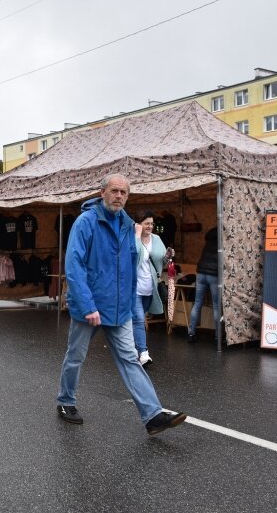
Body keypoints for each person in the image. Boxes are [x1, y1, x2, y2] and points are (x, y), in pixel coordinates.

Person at [56, 174, 186, 436]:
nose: (118, 196)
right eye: (114, 191)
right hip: (90, 307)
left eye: (123, 193)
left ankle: (153, 415)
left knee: (130, 358)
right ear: (102, 192)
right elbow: (74, 266)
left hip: (119, 307)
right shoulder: (85, 222)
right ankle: (65, 401)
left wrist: (130, 301)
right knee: (76, 356)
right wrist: (87, 304)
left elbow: (129, 266)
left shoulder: (128, 224)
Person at [132, 211, 173, 366]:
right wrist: (136, 235)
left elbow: (161, 261)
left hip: (151, 288)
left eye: (151, 223)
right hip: (134, 287)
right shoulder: (132, 238)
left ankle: (132, 348)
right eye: (146, 223)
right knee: (138, 319)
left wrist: (168, 256)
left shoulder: (156, 239)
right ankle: (143, 352)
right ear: (138, 224)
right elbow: (133, 255)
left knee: (137, 318)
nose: (150, 226)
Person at [188, 227, 220, 343]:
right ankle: (218, 336)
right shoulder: (223, 241)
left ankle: (191, 333)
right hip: (214, 275)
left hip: (201, 273)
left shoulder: (208, 241)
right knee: (216, 305)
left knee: (197, 304)